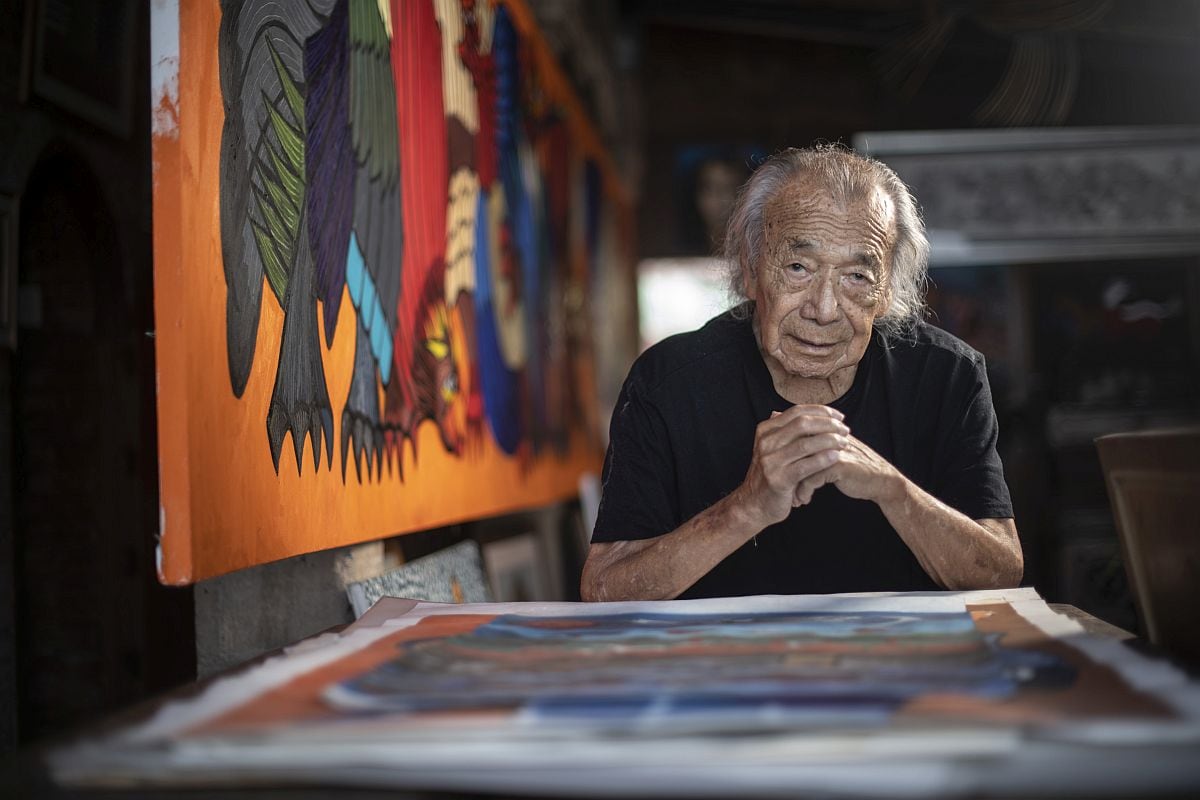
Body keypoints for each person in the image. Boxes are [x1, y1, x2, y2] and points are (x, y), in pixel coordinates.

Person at [581, 145, 1023, 602]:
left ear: (887, 291)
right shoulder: (668, 384)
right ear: (750, 271)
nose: (824, 310)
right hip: (721, 665)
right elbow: (604, 588)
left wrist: (891, 490)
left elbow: (1001, 571)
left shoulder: (947, 377)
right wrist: (746, 507)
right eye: (798, 268)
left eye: (857, 277)